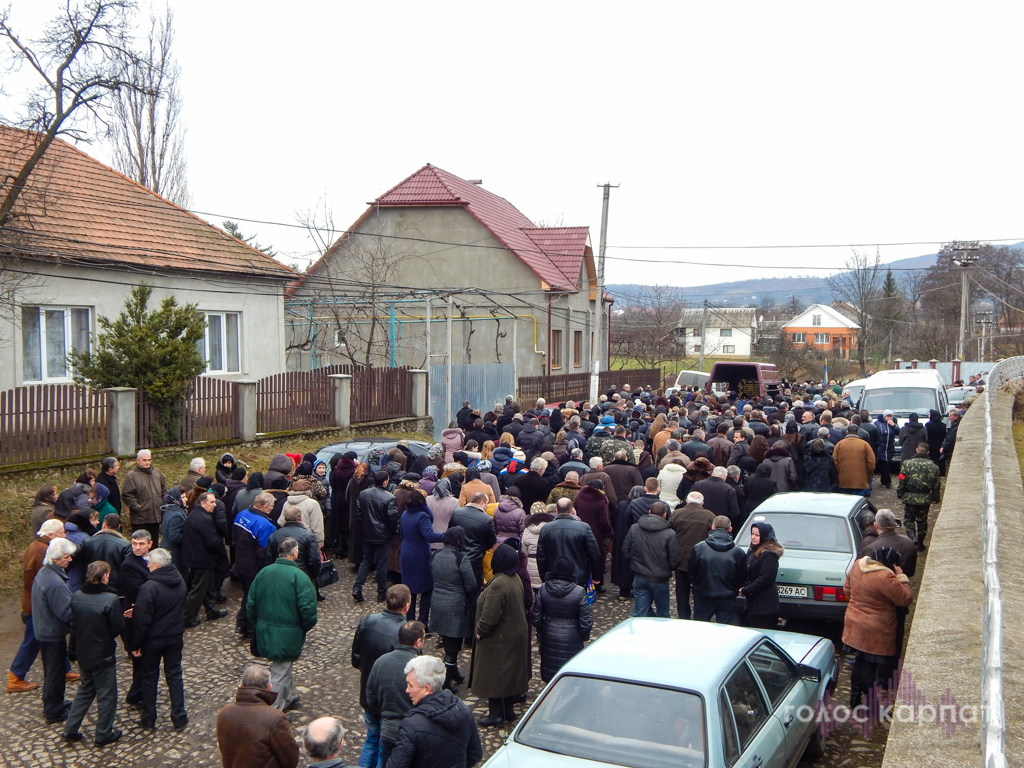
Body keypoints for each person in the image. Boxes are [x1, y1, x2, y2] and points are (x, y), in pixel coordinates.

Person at [247, 536, 318, 712]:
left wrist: (258, 625)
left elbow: (251, 603)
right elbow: (308, 610)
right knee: (281, 670)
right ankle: (275, 711)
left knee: (284, 668)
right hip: (287, 634)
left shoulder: (263, 573)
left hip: (266, 629)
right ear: (294, 553)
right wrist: (303, 627)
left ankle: (286, 698)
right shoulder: (300, 577)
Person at [62, 561, 124, 745]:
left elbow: (73, 623)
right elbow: (116, 628)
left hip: (83, 652)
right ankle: (103, 733)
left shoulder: (77, 596)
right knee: (107, 694)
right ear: (105, 576)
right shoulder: (110, 599)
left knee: (85, 690)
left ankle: (70, 728)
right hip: (102, 654)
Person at [843, 546, 913, 708]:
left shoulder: (858, 565)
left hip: (854, 623)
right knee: (870, 668)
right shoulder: (885, 576)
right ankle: (871, 706)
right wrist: (901, 577)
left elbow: (847, 589)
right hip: (875, 629)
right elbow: (905, 599)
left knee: (859, 662)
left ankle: (854, 700)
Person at [8, 519, 72, 693]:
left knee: (50, 641)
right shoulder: (45, 551)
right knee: (32, 641)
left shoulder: (35, 546)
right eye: (61, 534)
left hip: (32, 603)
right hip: (36, 606)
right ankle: (15, 676)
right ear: (50, 535)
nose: (64, 536)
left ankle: (64, 669)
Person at [352, 584, 411, 768]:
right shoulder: (406, 633)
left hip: (369, 693)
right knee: (386, 747)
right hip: (392, 701)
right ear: (407, 606)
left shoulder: (368, 620)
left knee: (372, 739)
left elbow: (355, 658)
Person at [129, 547, 188, 730]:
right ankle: (179, 717)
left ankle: (148, 718)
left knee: (149, 678)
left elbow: (142, 621)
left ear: (156, 565)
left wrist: (135, 644)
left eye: (149, 563)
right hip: (175, 636)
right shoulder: (180, 582)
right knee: (174, 675)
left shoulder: (149, 588)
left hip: (153, 640)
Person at [389, 655, 483, 768]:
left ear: (427, 689)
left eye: (410, 685)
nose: (407, 690)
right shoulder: (463, 708)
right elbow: (475, 754)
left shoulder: (411, 724)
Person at [472, 544, 529, 727]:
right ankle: (508, 710)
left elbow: (490, 614)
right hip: (514, 635)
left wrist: (481, 631)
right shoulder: (515, 578)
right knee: (509, 673)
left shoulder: (498, 583)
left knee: (494, 674)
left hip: (499, 638)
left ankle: (496, 714)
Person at [216, 665, 300, 768]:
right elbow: (290, 758)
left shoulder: (224, 713)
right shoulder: (274, 717)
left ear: (240, 686)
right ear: (269, 687)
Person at [366, 621, 425, 767]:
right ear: (418, 642)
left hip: (388, 731)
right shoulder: (422, 667)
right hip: (415, 732)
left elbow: (370, 698)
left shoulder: (380, 662)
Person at [32, 536, 78, 723]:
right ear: (56, 559)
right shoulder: (55, 583)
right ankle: (54, 710)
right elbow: (66, 612)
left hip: (44, 629)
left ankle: (55, 702)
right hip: (52, 632)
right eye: (66, 557)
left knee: (52, 670)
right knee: (55, 672)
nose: (70, 560)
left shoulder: (45, 573)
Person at [429, 527, 477, 692]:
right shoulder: (461, 559)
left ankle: (454, 671)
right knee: (453, 646)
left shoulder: (435, 555)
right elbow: (471, 584)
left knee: (448, 640)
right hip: (455, 606)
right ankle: (446, 680)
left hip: (437, 603)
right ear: (458, 541)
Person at [532, 555, 592, 682]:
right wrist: (583, 636)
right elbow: (586, 621)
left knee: (550, 674)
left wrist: (543, 629)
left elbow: (536, 616)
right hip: (572, 636)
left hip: (549, 634)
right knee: (570, 675)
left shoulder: (544, 589)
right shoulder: (579, 592)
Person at [621, 501, 681, 618]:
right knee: (663, 614)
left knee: (640, 613)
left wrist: (635, 563)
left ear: (649, 512)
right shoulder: (670, 534)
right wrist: (668, 568)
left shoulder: (635, 528)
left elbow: (625, 550)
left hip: (640, 575)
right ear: (664, 515)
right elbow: (675, 559)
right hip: (660, 578)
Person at [233, 491, 278, 637]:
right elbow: (264, 552)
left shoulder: (242, 515)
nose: (272, 509)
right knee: (256, 599)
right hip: (254, 569)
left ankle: (241, 623)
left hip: (240, 563)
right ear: (265, 507)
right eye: (271, 506)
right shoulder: (264, 524)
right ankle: (252, 628)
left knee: (248, 595)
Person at [182, 492, 229, 627]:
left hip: (197, 557)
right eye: (212, 502)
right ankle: (187, 617)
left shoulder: (195, 515)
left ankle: (212, 610)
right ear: (203, 503)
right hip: (202, 558)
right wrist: (220, 553)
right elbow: (212, 541)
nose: (215, 505)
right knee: (198, 589)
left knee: (208, 585)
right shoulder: (204, 519)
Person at [688, 515, 746, 624]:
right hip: (727, 597)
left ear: (712, 527)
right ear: (730, 529)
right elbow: (741, 577)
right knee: (724, 630)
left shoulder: (699, 548)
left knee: (700, 628)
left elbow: (691, 574)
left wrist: (697, 586)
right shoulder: (738, 552)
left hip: (703, 595)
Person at [399, 490, 445, 625]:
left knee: (410, 590)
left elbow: (401, 534)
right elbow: (430, 536)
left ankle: (410, 621)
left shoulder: (404, 515)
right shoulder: (422, 516)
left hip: (406, 553)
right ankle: (423, 622)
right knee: (427, 588)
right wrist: (447, 534)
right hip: (419, 555)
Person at [354, 470, 400, 603]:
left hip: (368, 532)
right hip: (383, 535)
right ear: (385, 481)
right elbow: (393, 518)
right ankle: (381, 593)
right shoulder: (389, 497)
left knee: (365, 560)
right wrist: (394, 531)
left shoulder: (364, 494)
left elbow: (358, 514)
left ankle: (357, 587)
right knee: (381, 563)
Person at [536, 497, 602, 589]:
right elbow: (594, 553)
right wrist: (596, 575)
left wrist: (543, 576)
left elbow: (541, 556)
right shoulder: (584, 527)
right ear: (571, 511)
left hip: (553, 575)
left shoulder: (546, 529)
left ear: (557, 511)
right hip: (578, 576)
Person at [668, 491, 714, 620]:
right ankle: (699, 618)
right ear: (702, 503)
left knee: (682, 593)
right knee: (699, 593)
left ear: (686, 501)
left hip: (681, 560)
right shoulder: (709, 516)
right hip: (701, 562)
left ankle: (684, 617)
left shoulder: (676, 514)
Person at [121, 529, 153, 708]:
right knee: (139, 658)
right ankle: (136, 693)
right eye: (134, 544)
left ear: (150, 544)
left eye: (141, 544)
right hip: (136, 615)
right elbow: (140, 591)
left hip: (143, 612)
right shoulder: (129, 564)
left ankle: (140, 690)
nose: (137, 547)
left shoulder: (153, 558)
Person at [739, 522, 784, 630]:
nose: (753, 537)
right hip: (753, 602)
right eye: (752, 534)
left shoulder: (769, 555)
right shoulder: (752, 550)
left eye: (757, 535)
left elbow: (765, 579)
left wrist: (746, 590)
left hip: (764, 605)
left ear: (764, 536)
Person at [73, 513, 131, 597]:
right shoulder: (125, 545)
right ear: (119, 526)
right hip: (114, 589)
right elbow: (128, 569)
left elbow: (72, 559)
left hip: (89, 587)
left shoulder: (87, 541)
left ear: (104, 525)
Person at [897, 443, 942, 550]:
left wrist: (900, 493)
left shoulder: (907, 464)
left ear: (917, 450)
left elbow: (902, 480)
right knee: (922, 521)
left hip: (910, 497)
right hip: (925, 498)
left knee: (909, 519)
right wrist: (936, 498)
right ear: (928, 452)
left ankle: (912, 538)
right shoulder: (933, 466)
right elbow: (936, 485)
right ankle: (920, 543)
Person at [121, 449, 167, 542]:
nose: (147, 462)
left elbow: (164, 491)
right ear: (137, 461)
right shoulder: (131, 476)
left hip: (156, 517)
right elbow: (127, 495)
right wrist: (138, 507)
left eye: (149, 460)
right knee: (141, 544)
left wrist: (162, 505)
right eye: (144, 460)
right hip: (140, 519)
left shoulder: (157, 473)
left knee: (153, 544)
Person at [690, 466, 741, 530]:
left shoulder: (698, 485)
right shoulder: (729, 489)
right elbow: (734, 511)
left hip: (699, 523)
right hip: (719, 526)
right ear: (724, 477)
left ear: (712, 474)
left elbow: (689, 502)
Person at [833, 424, 876, 496]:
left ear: (847, 432)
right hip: (860, 481)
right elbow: (871, 463)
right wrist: (866, 476)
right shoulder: (865, 444)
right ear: (858, 432)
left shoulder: (839, 444)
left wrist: (837, 477)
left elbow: (834, 462)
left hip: (843, 481)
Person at [874, 410, 899, 488]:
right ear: (884, 416)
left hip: (890, 447)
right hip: (881, 447)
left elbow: (899, 432)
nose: (889, 418)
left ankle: (883, 480)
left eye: (890, 416)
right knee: (884, 464)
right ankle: (888, 482)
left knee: (888, 463)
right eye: (887, 416)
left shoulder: (893, 423)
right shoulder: (878, 424)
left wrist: (894, 425)